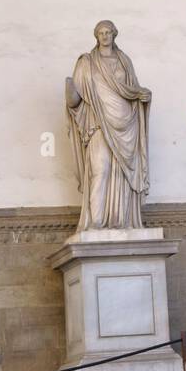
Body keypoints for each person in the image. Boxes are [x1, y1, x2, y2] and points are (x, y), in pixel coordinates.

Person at [66, 21, 151, 230]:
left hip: (125, 123)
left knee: (120, 172)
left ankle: (120, 221)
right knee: (100, 169)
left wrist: (142, 94)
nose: (105, 36)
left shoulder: (124, 61)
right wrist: (68, 88)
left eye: (108, 32)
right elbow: (74, 100)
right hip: (98, 122)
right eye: (101, 33)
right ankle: (95, 222)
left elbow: (132, 89)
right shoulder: (86, 62)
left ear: (114, 35)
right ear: (96, 36)